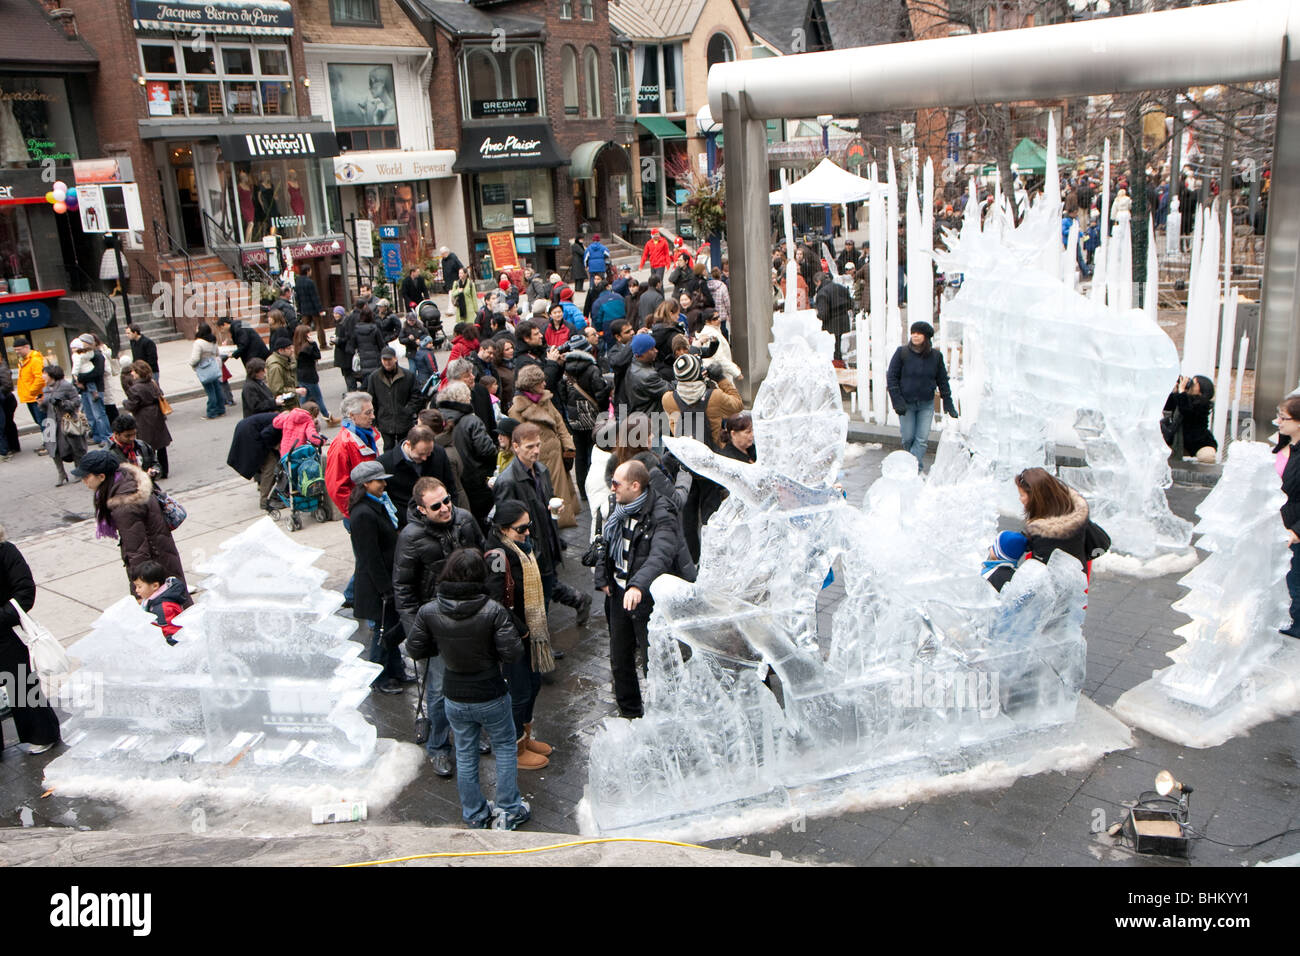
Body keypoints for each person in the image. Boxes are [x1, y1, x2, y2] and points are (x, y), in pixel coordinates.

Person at [406, 549, 529, 829]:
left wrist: (441, 646)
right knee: (505, 748)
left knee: (464, 753)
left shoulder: (429, 610)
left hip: (454, 694)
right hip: (491, 691)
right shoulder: (492, 610)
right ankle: (509, 809)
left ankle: (474, 814)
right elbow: (512, 652)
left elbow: (414, 648)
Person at [393, 477, 486, 775]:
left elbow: (482, 558)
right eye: (437, 505)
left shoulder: (465, 519)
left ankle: (470, 735)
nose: (446, 508)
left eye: (447, 500)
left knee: (475, 680)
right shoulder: (411, 537)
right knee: (439, 690)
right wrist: (415, 633)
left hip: (472, 616)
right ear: (421, 509)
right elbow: (403, 588)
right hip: (436, 625)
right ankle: (438, 746)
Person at [594, 459, 689, 719]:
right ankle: (631, 715)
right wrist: (603, 576)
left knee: (654, 661)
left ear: (635, 486)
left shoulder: (662, 513)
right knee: (620, 659)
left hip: (647, 600)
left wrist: (637, 585)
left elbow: (661, 555)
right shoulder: (617, 506)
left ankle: (665, 717)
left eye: (616, 483)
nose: (611, 488)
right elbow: (606, 542)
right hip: (618, 594)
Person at [485, 500, 553, 771]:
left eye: (529, 526)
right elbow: (494, 602)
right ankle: (514, 747)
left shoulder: (522, 548)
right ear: (503, 529)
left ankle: (525, 737)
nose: (527, 533)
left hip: (529, 632)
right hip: (512, 636)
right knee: (519, 690)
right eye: (521, 528)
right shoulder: (497, 557)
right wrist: (523, 630)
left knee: (533, 685)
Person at [73, 450, 188, 597]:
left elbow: (137, 550)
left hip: (154, 568)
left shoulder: (125, 503)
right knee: (178, 604)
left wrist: (139, 592)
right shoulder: (128, 481)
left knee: (168, 611)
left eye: (86, 476)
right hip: (161, 557)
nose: (83, 481)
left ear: (101, 476)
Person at [346, 460, 408, 695]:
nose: (384, 484)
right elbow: (369, 556)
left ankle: (396, 670)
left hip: (386, 582)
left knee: (390, 629)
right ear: (365, 484)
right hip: (378, 586)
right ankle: (379, 676)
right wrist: (385, 589)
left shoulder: (376, 505)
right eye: (379, 480)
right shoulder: (363, 514)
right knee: (383, 633)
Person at [0, 529, 60, 755]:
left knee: (19, 684)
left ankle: (42, 734)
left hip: (5, 632)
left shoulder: (6, 552)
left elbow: (24, 593)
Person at [508, 364, 579, 528]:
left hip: (557, 457)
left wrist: (568, 447)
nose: (544, 384)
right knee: (545, 498)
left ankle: (559, 525)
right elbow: (520, 438)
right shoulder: (516, 410)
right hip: (539, 460)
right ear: (531, 385)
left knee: (560, 496)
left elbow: (559, 422)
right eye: (540, 382)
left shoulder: (545, 399)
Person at [886, 321, 957, 470]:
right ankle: (911, 464)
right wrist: (897, 401)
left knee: (922, 439)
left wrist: (948, 402)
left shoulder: (936, 357)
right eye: (913, 332)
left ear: (926, 336)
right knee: (908, 438)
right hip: (906, 404)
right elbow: (892, 377)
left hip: (926, 404)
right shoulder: (902, 353)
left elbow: (942, 380)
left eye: (918, 333)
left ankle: (912, 468)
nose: (915, 335)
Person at [436, 380, 498, 524]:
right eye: (468, 395)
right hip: (478, 478)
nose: (471, 398)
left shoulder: (440, 418)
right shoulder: (471, 420)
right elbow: (487, 450)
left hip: (455, 478)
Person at [378, 424, 461, 528]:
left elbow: (451, 487)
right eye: (420, 454)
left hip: (442, 520)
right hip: (407, 525)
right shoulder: (385, 464)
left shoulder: (439, 453)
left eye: (429, 453)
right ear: (408, 445)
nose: (425, 458)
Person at [559, 339, 610, 497]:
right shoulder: (593, 369)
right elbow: (600, 394)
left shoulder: (565, 370)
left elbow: (562, 394)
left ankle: (582, 490)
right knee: (595, 452)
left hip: (574, 417)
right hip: (593, 416)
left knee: (580, 455)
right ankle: (594, 487)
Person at [1015, 467, 1091, 571]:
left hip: (1058, 583)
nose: (1020, 499)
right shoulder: (1076, 513)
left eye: (1022, 495)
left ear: (1035, 497)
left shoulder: (1044, 534)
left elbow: (1041, 573)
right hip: (1078, 575)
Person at [1274, 396, 1300, 636]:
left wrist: (1296, 530)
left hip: (1294, 528)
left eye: (1284, 417)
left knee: (1294, 582)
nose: (1278, 421)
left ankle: (1295, 627)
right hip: (1279, 524)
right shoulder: (1285, 446)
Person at [39, 365, 86, 486]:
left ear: (52, 375)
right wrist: (41, 403)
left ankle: (78, 470)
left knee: (74, 446)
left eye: (44, 374)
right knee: (52, 449)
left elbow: (76, 402)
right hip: (51, 422)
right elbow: (45, 408)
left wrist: (62, 403)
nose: (42, 376)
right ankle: (61, 473)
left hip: (67, 420)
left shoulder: (66, 386)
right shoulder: (46, 388)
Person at [367, 347, 421, 450]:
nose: (387, 362)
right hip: (385, 422)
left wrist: (408, 410)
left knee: (405, 448)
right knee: (388, 448)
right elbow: (371, 400)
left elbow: (416, 396)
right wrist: (374, 420)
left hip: (404, 421)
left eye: (389, 359)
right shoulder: (374, 377)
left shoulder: (408, 376)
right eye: (384, 360)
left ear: (395, 359)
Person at [1162, 374, 1217, 463]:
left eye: (1194, 384)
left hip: (1199, 443)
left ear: (1201, 389)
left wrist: (1182, 391)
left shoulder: (1203, 405)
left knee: (1207, 456)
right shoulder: (1183, 399)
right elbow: (1167, 408)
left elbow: (1186, 411)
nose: (1190, 385)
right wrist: (1175, 392)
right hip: (1181, 442)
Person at [133, 559, 187, 644]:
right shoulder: (154, 599)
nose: (136, 590)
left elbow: (172, 632)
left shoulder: (163, 608)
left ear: (155, 586)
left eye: (139, 587)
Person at [70, 334, 111, 446]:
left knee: (99, 414)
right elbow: (75, 370)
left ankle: (106, 437)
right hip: (84, 390)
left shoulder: (97, 356)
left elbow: (97, 373)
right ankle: (97, 436)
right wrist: (76, 382)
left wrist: (80, 379)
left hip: (95, 389)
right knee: (90, 415)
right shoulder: (80, 355)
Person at [293, 323, 337, 424]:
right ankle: (327, 417)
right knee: (318, 397)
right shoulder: (307, 348)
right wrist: (314, 344)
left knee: (304, 397)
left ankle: (299, 416)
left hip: (301, 375)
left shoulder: (297, 347)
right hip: (310, 376)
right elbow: (317, 355)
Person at [624, 333, 672, 418]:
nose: (656, 350)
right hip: (653, 422)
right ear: (641, 354)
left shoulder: (632, 366)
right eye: (652, 349)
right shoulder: (647, 376)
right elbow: (670, 389)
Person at [814, 271, 853, 364]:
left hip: (832, 327)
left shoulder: (822, 293)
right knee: (844, 351)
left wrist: (816, 315)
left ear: (818, 282)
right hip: (845, 323)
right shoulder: (841, 288)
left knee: (835, 353)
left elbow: (823, 314)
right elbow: (850, 304)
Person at [108, 410, 159, 478]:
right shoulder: (107, 454)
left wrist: (154, 471)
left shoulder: (143, 446)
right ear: (116, 434)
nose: (132, 438)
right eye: (127, 436)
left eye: (134, 434)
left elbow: (155, 464)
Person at [13, 337, 46, 440]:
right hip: (30, 397)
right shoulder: (23, 361)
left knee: (43, 422)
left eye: (19, 349)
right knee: (39, 421)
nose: (17, 352)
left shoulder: (35, 360)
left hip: (37, 397)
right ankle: (48, 443)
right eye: (15, 350)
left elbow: (40, 378)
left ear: (26, 347)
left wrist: (32, 391)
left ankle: (50, 445)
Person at [352, 306, 386, 382]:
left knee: (367, 382)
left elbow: (353, 345)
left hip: (363, 358)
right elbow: (381, 345)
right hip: (375, 359)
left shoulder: (356, 330)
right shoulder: (374, 329)